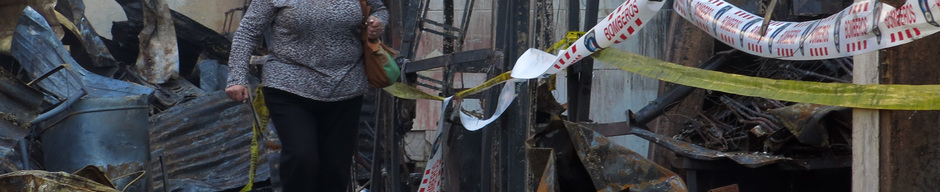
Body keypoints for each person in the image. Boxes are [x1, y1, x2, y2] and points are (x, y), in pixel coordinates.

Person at [225, 0, 388, 191]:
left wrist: (378, 22)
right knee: (301, 156)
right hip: (288, 86)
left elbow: (379, 9)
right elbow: (247, 32)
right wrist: (236, 77)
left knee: (335, 166)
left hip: (346, 88)